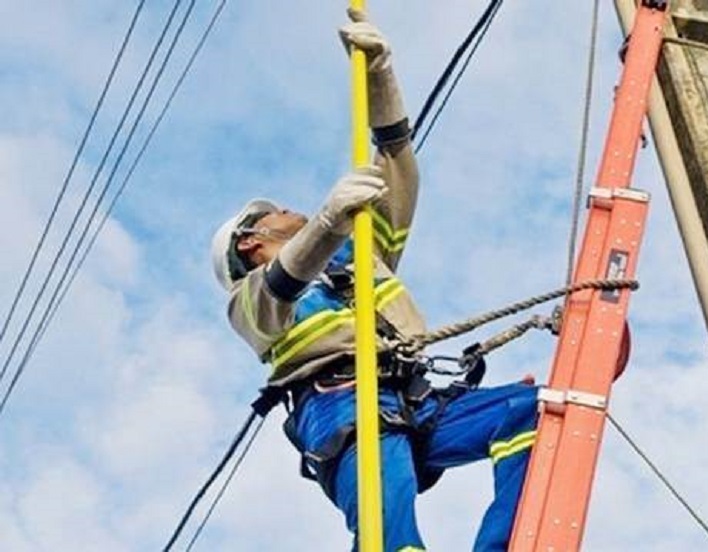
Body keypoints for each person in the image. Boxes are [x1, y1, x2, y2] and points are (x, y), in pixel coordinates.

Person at [210, 10, 540, 551]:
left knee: (532, 412)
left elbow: (397, 168)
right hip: (341, 405)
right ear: (250, 242)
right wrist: (324, 222)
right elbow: (283, 284)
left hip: (413, 396)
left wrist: (381, 79)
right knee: (390, 536)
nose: (290, 210)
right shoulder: (247, 302)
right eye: (277, 213)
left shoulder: (359, 253)